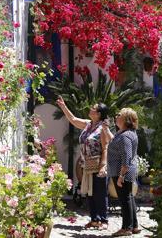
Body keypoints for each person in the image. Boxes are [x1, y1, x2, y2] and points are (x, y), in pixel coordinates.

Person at [56, 96, 110, 229]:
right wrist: (63, 106)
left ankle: (103, 221)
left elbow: (105, 148)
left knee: (100, 192)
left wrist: (103, 166)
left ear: (98, 114)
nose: (91, 109)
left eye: (94, 108)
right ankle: (94, 219)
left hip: (98, 164)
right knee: (89, 191)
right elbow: (73, 119)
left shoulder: (102, 128)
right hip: (87, 165)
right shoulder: (88, 124)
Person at [108, 108, 141, 236]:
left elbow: (126, 157)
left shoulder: (126, 136)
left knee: (125, 199)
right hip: (123, 170)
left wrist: (121, 176)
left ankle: (126, 228)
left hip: (122, 171)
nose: (116, 116)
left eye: (119, 115)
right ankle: (134, 226)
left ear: (126, 119)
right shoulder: (126, 133)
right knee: (129, 197)